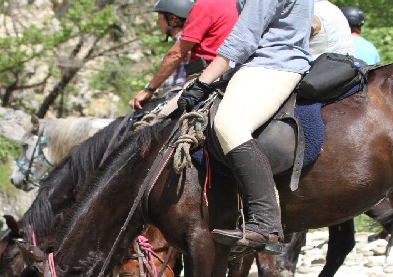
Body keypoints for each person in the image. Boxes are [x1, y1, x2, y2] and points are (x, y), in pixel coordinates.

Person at [177, 0, 314, 254]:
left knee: (230, 125)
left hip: (272, 64)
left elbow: (244, 38)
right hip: (262, 62)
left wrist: (204, 81)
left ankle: (265, 223)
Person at [128, 0, 238, 111]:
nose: (157, 23)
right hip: (238, 72)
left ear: (173, 20)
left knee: (161, 118)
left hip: (207, 75)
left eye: (159, 18)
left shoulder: (205, 4)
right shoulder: (240, 4)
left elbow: (176, 54)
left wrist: (149, 90)